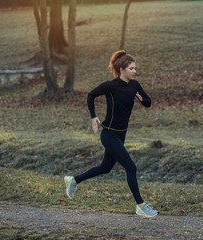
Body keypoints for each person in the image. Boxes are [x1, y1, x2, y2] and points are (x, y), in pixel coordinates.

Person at [64, 50, 158, 217]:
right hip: (109, 135)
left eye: (135, 68)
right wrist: (93, 116)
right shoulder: (110, 85)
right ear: (122, 69)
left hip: (122, 134)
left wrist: (143, 100)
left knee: (105, 168)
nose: (135, 71)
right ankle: (140, 205)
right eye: (131, 68)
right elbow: (90, 95)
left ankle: (74, 180)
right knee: (131, 167)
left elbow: (148, 102)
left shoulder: (135, 85)